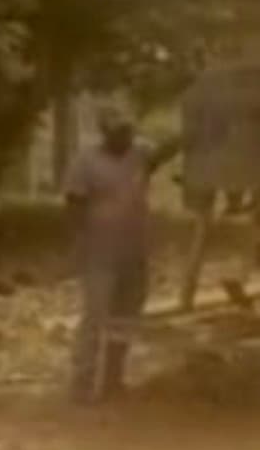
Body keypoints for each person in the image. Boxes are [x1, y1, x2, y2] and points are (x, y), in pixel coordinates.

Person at [62, 103, 179, 404]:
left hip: (134, 251)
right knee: (96, 317)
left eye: (129, 131)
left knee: (125, 319)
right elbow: (74, 205)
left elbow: (163, 152)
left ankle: (114, 379)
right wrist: (79, 246)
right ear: (105, 133)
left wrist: (195, 129)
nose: (126, 137)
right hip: (100, 252)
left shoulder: (139, 153)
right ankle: (82, 383)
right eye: (120, 132)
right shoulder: (85, 162)